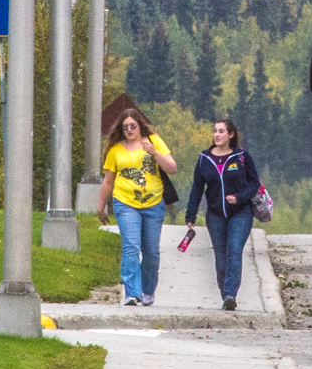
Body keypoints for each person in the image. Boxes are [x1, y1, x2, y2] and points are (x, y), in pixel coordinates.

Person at [100, 108, 179, 305]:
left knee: (151, 251)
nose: (129, 130)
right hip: (125, 203)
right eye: (125, 127)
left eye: (132, 126)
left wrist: (155, 153)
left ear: (139, 125)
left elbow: (172, 167)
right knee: (131, 248)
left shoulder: (153, 141)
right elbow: (108, 180)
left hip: (153, 203)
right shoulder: (115, 150)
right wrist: (101, 205)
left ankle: (147, 291)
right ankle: (132, 293)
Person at [183, 116, 263, 312]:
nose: (217, 135)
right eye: (215, 131)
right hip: (215, 215)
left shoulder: (242, 157)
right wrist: (190, 216)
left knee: (234, 250)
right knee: (221, 257)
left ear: (231, 134)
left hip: (240, 213)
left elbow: (254, 184)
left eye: (221, 131)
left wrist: (240, 197)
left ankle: (230, 294)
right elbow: (197, 188)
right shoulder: (205, 158)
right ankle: (225, 294)